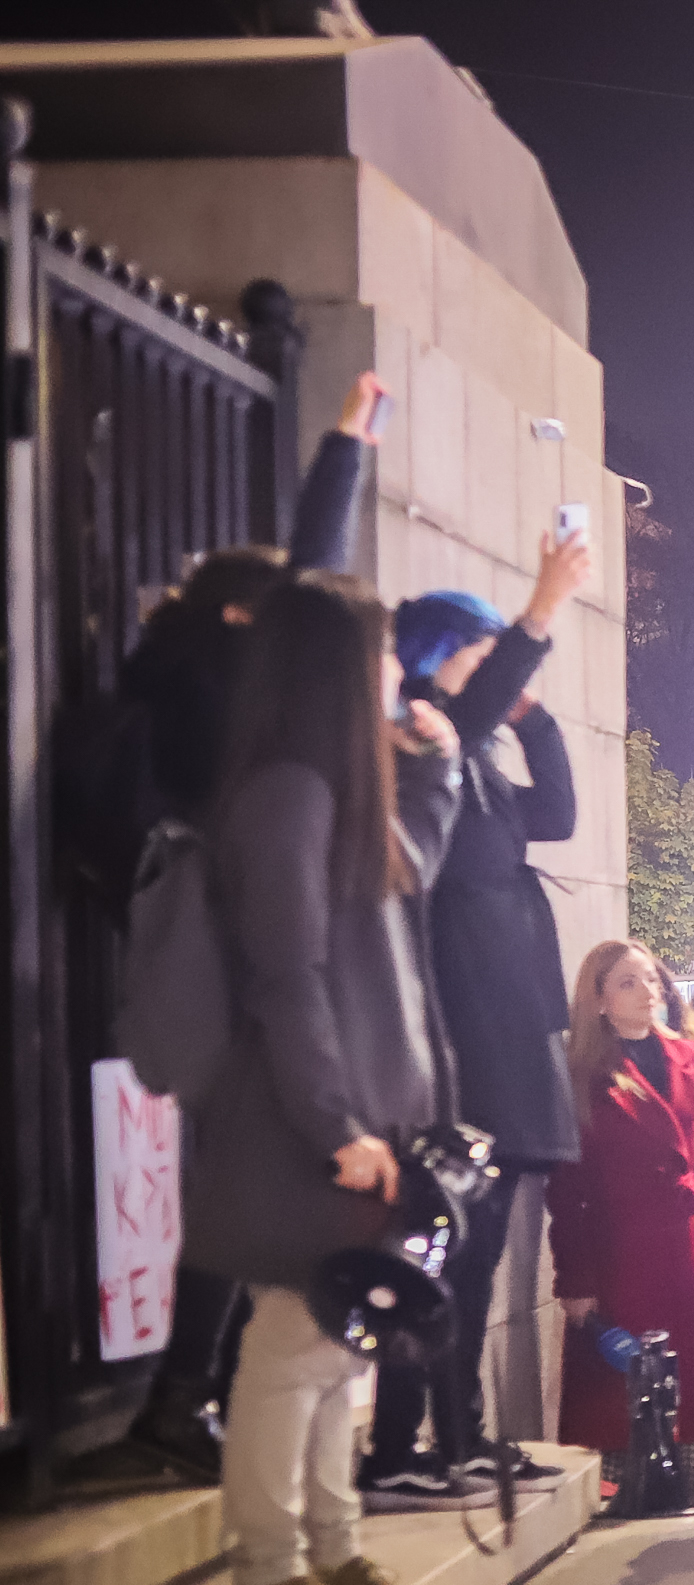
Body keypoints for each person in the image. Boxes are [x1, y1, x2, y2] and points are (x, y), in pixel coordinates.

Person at [182, 571, 464, 1585]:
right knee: (294, 1341)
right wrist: (337, 1123)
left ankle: (327, 1551)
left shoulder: (332, 787)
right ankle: (269, 1568)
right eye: (383, 653)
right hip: (307, 1120)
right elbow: (286, 973)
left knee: (330, 1342)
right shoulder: (288, 790)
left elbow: (405, 874)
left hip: (350, 1119)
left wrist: (434, 769)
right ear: (339, 665)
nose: (398, 671)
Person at [116, 371, 385, 1483]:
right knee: (238, 1202)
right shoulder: (225, 703)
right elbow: (306, 577)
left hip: (201, 957)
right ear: (246, 620)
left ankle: (189, 1395)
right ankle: (185, 1401)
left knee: (224, 1201)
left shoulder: (185, 684)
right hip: (229, 970)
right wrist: (342, 451)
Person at [361, 539, 594, 1512]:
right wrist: (540, 612)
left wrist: (534, 716)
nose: (490, 664)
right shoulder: (424, 735)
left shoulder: (479, 760)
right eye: (479, 647)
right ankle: (400, 1442)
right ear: (437, 655)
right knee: (446, 1242)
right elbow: (471, 703)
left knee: (483, 1246)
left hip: (510, 1020)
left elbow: (561, 814)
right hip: (466, 1028)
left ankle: (458, 1436)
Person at [550, 942, 694, 1511]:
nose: (648, 991)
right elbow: (566, 1187)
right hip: (619, 1252)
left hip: (691, 1247)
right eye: (627, 983)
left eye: (652, 980)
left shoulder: (687, 1056)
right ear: (598, 1001)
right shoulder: (585, 1070)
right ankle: (619, 1513)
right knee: (616, 1400)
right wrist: (575, 1280)